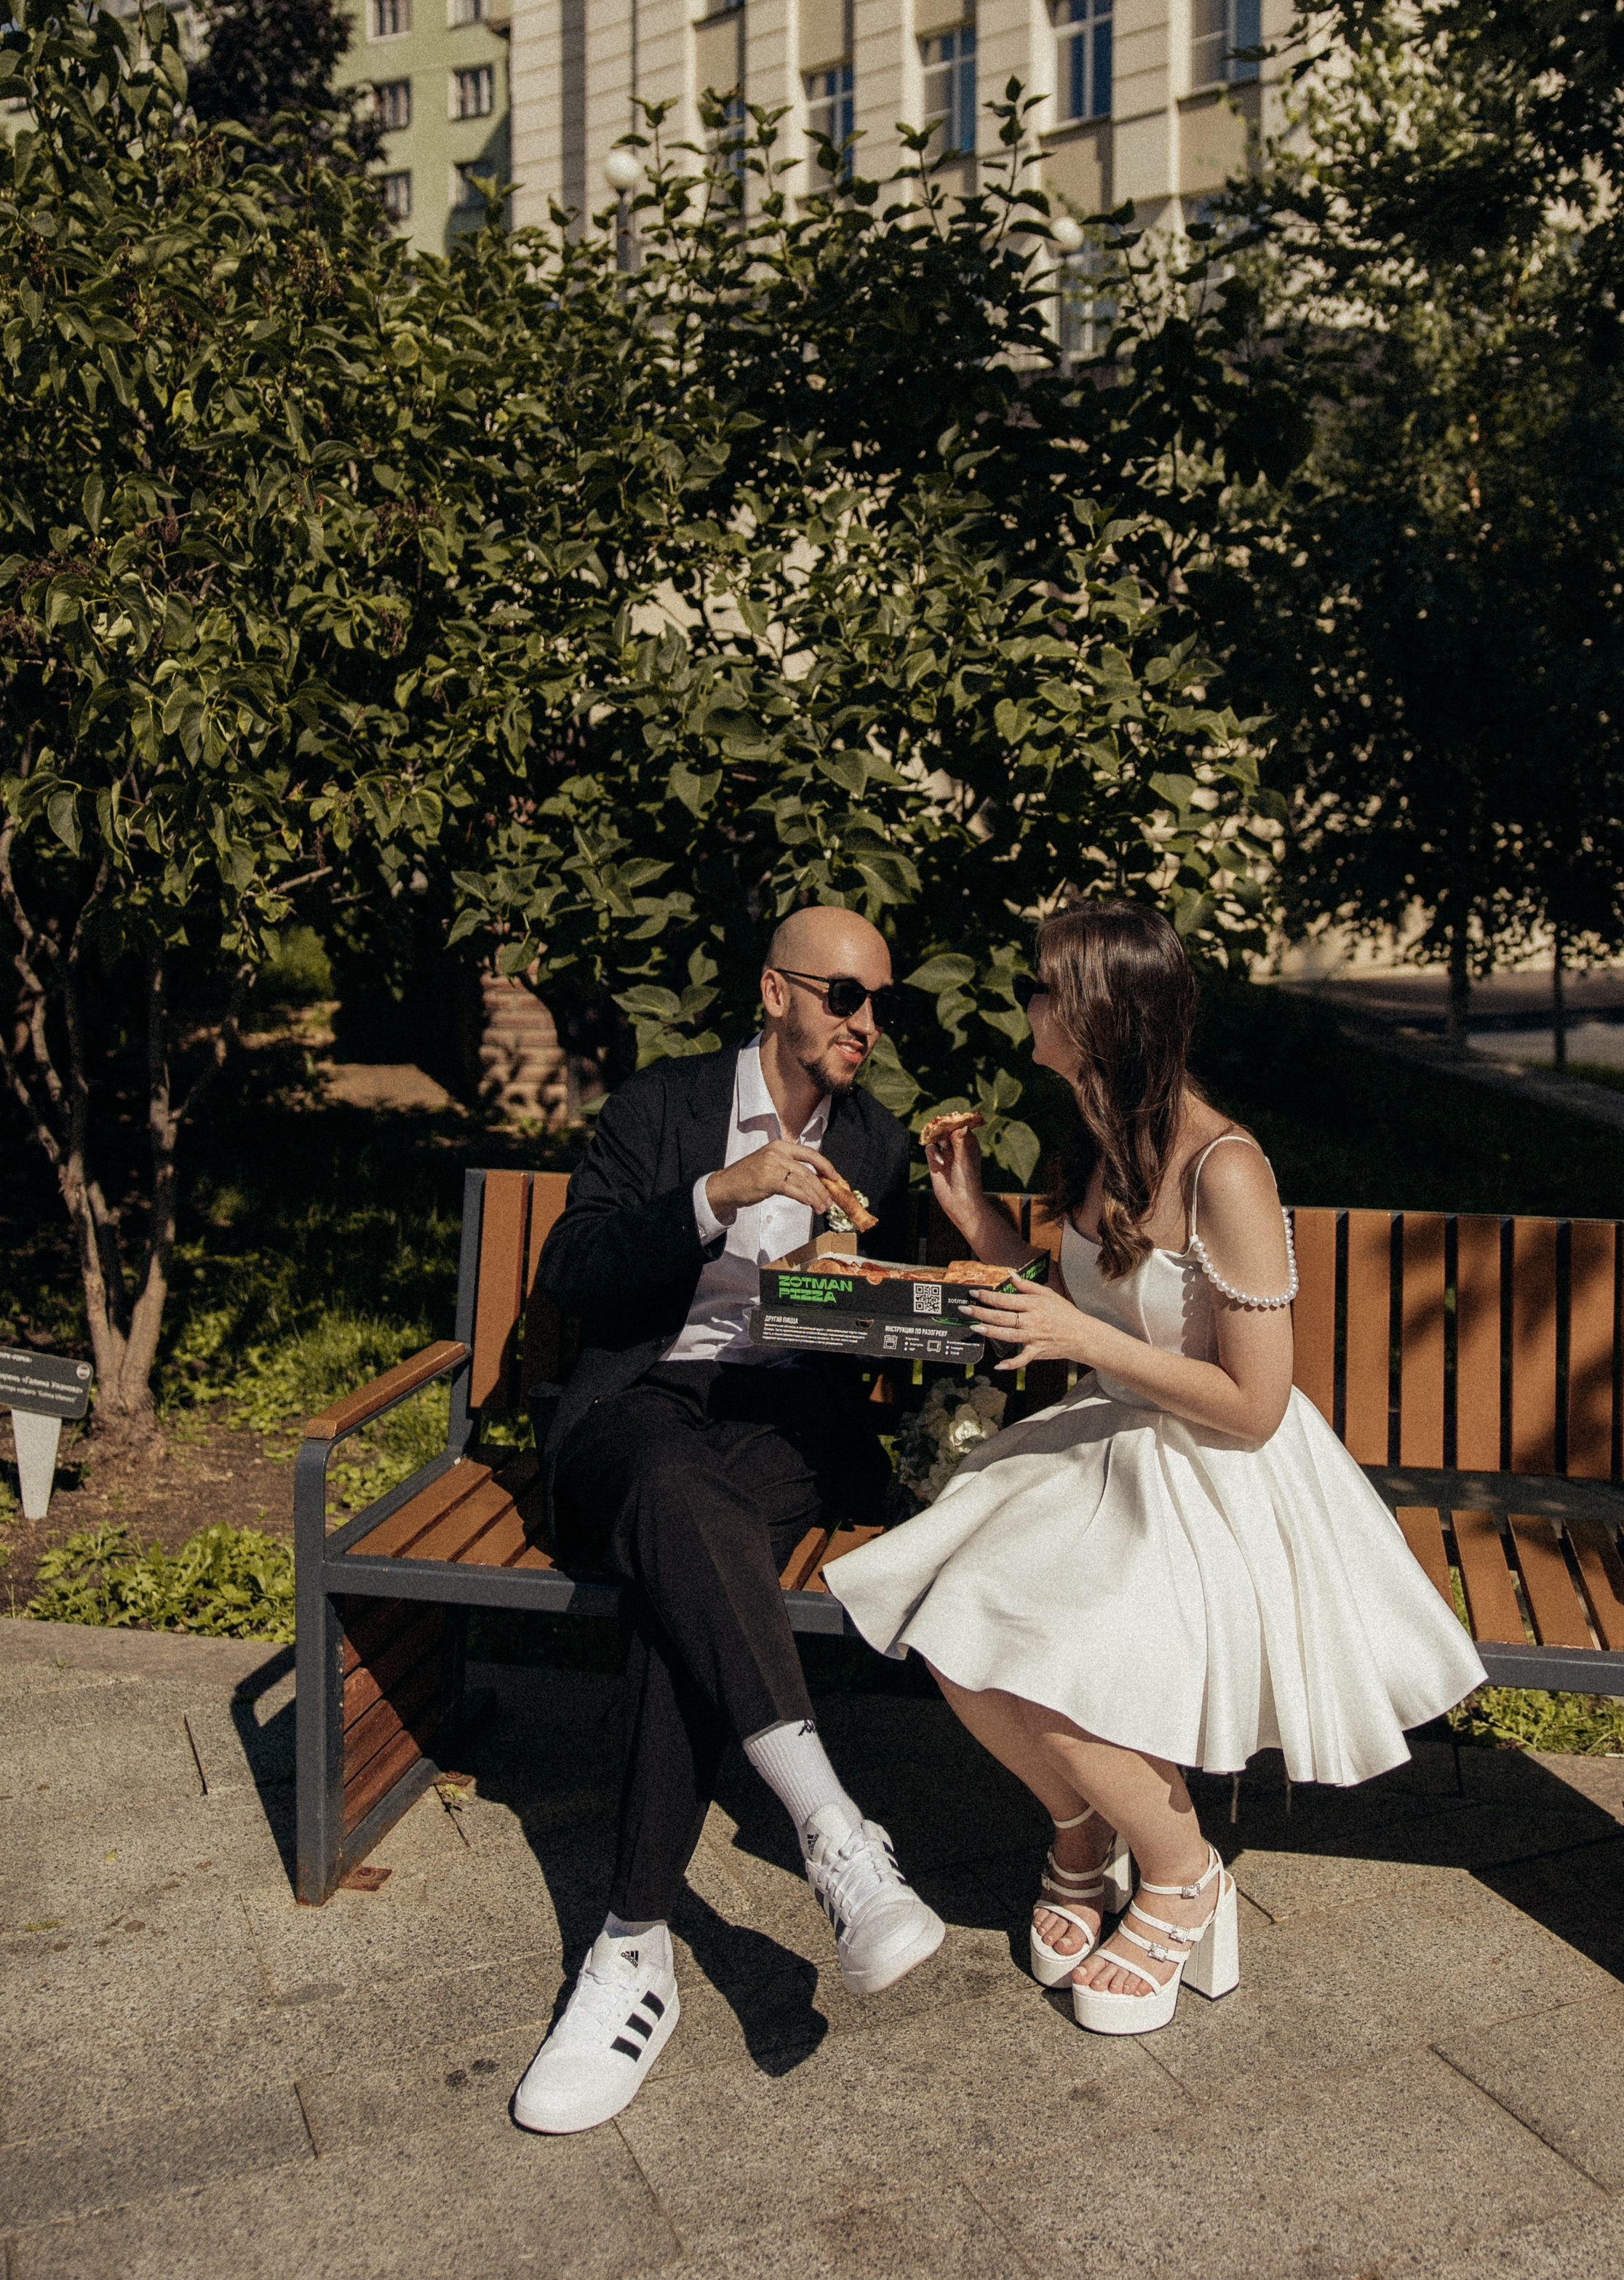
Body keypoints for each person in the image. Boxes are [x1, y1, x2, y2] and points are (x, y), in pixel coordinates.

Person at [827, 901, 1484, 2036]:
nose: (1027, 1005)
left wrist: (1085, 1346)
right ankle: (1079, 1832)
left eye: (1043, 989)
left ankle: (1182, 1870)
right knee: (952, 1623)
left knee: (1042, 1657)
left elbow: (1256, 1402)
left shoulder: (1226, 1167)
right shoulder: (1098, 1140)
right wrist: (979, 1220)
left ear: (1095, 1015)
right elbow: (1086, 1298)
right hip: (1110, 1443)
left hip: (1218, 1473)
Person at [511, 907, 945, 2134]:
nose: (866, 1022)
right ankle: (833, 1832)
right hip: (639, 1405)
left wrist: (885, 1291)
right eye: (845, 996)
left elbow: (883, 1331)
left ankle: (631, 1948)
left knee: (683, 1581)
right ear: (774, 992)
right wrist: (721, 1193)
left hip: (779, 1427)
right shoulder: (662, 1107)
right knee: (680, 1509)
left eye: (879, 1003)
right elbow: (576, 1275)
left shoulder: (878, 1141)